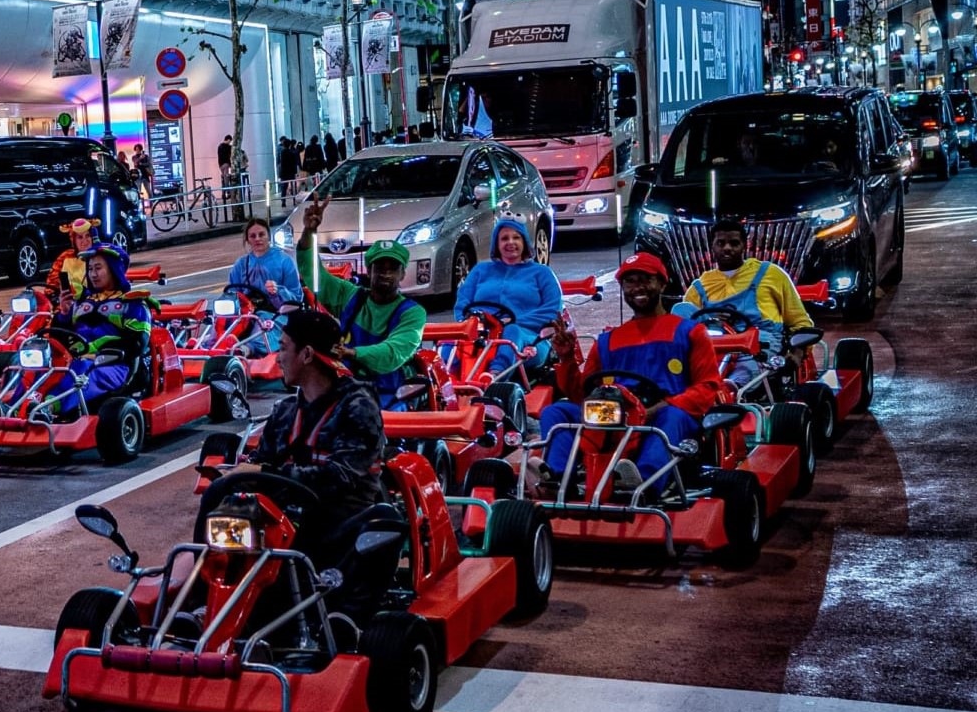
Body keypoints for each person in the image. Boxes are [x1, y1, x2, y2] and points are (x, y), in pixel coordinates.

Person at [535, 254, 727, 493]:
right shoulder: (607, 341)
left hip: (663, 412)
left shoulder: (690, 332)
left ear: (662, 283)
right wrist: (566, 358)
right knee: (556, 411)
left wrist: (660, 407)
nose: (638, 288)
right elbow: (582, 395)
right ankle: (557, 477)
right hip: (615, 414)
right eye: (630, 282)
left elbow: (707, 387)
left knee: (672, 417)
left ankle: (642, 481)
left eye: (645, 280)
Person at [240, 307, 387, 615]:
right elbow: (261, 463)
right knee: (225, 513)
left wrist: (267, 473)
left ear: (306, 354)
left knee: (285, 540)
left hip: (340, 519)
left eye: (282, 348)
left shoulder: (358, 407)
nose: (277, 357)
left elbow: (341, 478)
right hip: (287, 514)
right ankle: (192, 609)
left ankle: (286, 619)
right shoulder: (285, 412)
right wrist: (236, 475)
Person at [297, 197, 428, 407]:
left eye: (392, 268)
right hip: (347, 387)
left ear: (403, 274)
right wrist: (309, 232)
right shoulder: (350, 296)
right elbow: (313, 274)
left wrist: (353, 353)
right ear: (369, 270)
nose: (385, 274)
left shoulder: (413, 313)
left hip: (392, 395)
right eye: (380, 267)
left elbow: (393, 354)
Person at [678, 218, 812, 391]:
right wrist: (711, 319)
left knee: (740, 375)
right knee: (680, 309)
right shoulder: (700, 286)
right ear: (712, 246)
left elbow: (799, 320)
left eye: (734, 243)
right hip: (715, 343)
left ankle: (731, 390)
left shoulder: (770, 274)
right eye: (721, 243)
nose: (727, 248)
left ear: (744, 245)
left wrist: (797, 353)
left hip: (760, 341)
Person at [48, 244, 151, 414]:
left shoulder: (133, 304)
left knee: (80, 369)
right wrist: (64, 314)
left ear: (113, 269)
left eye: (98, 268)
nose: (93, 274)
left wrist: (97, 354)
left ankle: (50, 407)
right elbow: (58, 339)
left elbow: (136, 344)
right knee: (36, 365)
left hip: (116, 366)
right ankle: (14, 406)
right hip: (74, 361)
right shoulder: (81, 303)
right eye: (89, 269)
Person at [453, 217, 563, 373]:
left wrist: (509, 322)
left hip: (529, 337)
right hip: (481, 336)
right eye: (504, 238)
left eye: (516, 237)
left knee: (512, 331)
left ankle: (494, 376)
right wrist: (470, 323)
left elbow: (553, 309)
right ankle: (445, 385)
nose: (510, 242)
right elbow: (462, 304)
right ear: (496, 244)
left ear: (524, 241)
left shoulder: (541, 273)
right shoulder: (480, 270)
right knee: (451, 341)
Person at [227, 219, 303, 351]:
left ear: (268, 236)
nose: (257, 239)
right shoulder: (241, 264)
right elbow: (232, 293)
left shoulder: (284, 261)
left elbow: (296, 297)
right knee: (224, 322)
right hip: (247, 313)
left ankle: (248, 349)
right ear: (247, 240)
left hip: (276, 312)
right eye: (253, 236)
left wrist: (277, 292)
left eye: (261, 235)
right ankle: (210, 345)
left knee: (263, 323)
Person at [46, 217, 100, 298]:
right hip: (69, 303)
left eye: (88, 235)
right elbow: (52, 283)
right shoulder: (65, 256)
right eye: (80, 237)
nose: (85, 240)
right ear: (73, 240)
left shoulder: (102, 254)